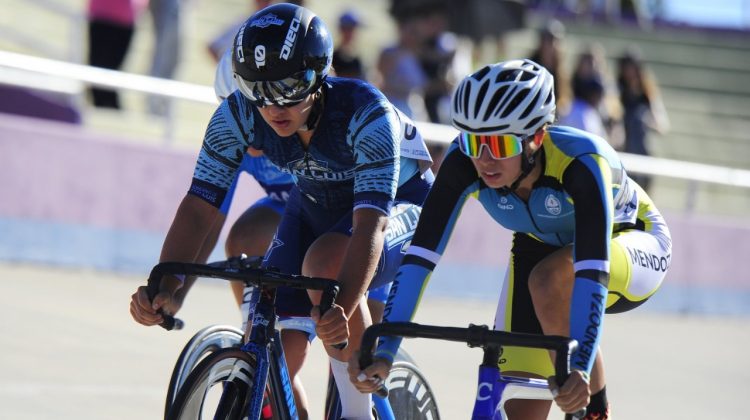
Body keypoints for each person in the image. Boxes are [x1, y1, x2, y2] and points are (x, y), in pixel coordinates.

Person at [130, 4, 434, 419]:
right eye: (259, 91)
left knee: (326, 266)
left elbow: (371, 224)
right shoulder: (236, 113)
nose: (273, 107)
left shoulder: (366, 113)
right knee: (268, 312)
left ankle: (359, 411)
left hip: (397, 204)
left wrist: (341, 307)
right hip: (315, 202)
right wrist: (165, 281)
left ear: (319, 75)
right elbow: (201, 207)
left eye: (289, 87)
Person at [348, 59, 672, 420]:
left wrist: (579, 369)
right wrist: (386, 350)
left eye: (499, 145)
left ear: (535, 138)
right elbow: (419, 259)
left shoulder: (581, 162)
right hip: (539, 249)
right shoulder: (463, 161)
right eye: (472, 141)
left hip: (629, 239)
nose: (483, 159)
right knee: (519, 404)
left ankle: (595, 410)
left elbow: (591, 273)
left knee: (550, 281)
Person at [616, 49, 669, 194]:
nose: (629, 71)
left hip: (643, 152)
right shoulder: (617, 90)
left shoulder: (648, 94)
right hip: (623, 152)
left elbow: (662, 125)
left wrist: (645, 120)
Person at [331, 10, 366, 80]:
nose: (353, 33)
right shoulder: (332, 57)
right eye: (350, 29)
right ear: (341, 29)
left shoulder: (357, 60)